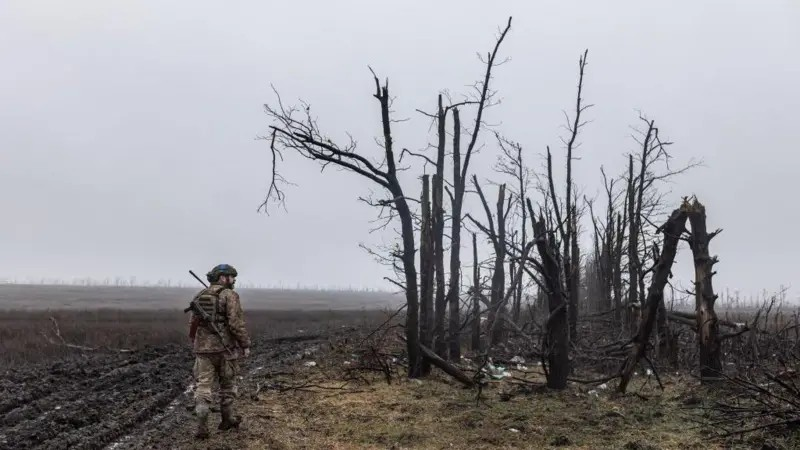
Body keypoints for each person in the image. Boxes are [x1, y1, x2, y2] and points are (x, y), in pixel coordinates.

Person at [188, 263, 252, 439]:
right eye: (231, 277)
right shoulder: (230, 295)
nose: (234, 280)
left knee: (203, 388)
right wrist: (245, 344)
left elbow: (192, 324)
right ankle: (227, 420)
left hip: (202, 351)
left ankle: (202, 427)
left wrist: (197, 344)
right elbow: (236, 324)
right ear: (223, 278)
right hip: (225, 349)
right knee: (228, 386)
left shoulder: (199, 295)